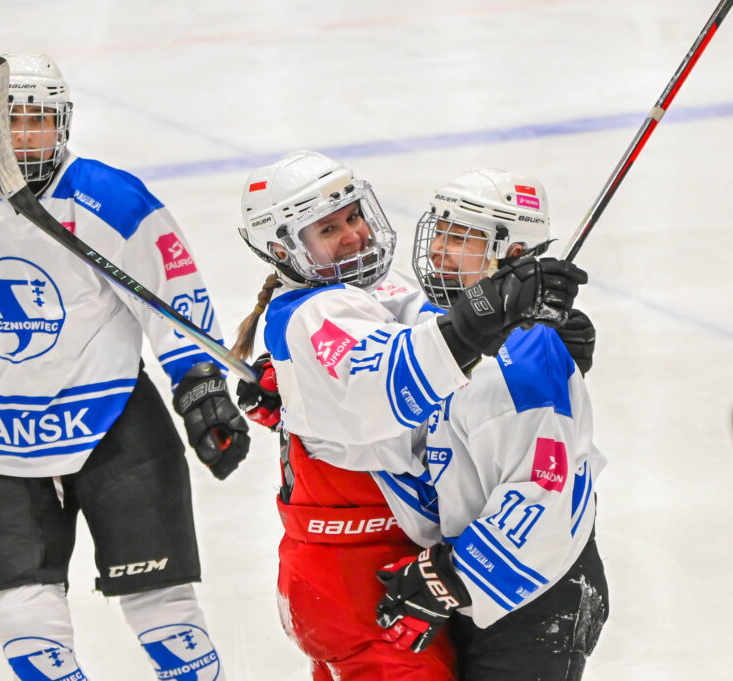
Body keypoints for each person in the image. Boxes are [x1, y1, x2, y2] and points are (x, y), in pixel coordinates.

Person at [0, 53, 249, 680]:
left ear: (61, 123)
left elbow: (174, 298)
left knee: (164, 616)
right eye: (11, 120)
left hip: (116, 429)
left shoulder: (110, 198)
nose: (24, 135)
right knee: (25, 629)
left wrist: (201, 388)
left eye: (37, 119)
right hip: (6, 445)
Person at [230, 150, 590, 681]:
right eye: (328, 229)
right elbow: (391, 376)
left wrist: (520, 323)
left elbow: (421, 322)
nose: (353, 235)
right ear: (283, 248)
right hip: (358, 577)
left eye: (353, 216)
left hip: (371, 572)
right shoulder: (318, 311)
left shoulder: (367, 291)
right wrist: (491, 312)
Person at [373, 168, 609, 681]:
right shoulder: (445, 320)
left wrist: (449, 578)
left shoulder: (524, 365)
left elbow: (543, 495)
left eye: (460, 238)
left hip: (537, 601)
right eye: (439, 230)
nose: (438, 249)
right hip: (483, 589)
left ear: (512, 253)